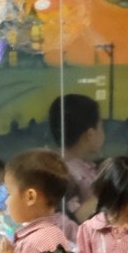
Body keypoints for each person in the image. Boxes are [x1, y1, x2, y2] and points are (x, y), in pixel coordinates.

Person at [48, 92, 103, 224]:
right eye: (101, 126)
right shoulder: (71, 173)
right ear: (90, 134)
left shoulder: (57, 163)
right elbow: (77, 217)